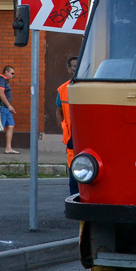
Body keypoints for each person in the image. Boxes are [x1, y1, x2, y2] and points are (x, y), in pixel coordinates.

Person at [56, 55, 79, 196]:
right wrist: (64, 128)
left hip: (89, 136)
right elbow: (59, 112)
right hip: (72, 138)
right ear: (69, 69)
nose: (78, 68)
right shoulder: (62, 89)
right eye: (75, 66)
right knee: (74, 172)